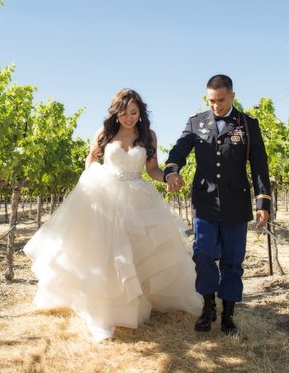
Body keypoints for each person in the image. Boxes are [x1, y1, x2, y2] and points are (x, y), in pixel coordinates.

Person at [23, 89, 202, 341]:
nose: (128, 118)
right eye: (123, 112)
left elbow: (152, 170)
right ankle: (106, 310)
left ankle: (140, 299)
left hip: (139, 197)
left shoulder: (148, 136)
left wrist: (169, 178)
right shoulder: (104, 133)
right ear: (115, 112)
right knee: (109, 253)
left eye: (133, 112)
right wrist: (91, 186)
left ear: (140, 112)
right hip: (107, 195)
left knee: (139, 249)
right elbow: (91, 160)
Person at [164, 74, 271, 334]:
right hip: (205, 202)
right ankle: (208, 306)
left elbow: (259, 166)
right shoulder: (196, 122)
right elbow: (179, 151)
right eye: (211, 100)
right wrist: (172, 171)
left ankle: (229, 315)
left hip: (236, 202)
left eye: (221, 100)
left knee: (233, 261)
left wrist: (262, 202)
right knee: (203, 254)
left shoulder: (247, 124)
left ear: (232, 96)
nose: (215, 105)